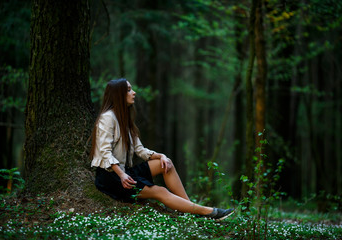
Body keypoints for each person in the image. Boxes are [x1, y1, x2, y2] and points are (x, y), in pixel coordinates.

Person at [90, 79, 234, 221]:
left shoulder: (124, 119)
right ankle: (206, 212)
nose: (133, 93)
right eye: (128, 90)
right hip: (112, 178)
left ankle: (190, 208)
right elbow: (105, 152)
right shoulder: (107, 118)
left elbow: (140, 150)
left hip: (125, 172)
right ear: (118, 95)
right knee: (160, 191)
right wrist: (121, 175)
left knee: (166, 164)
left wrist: (161, 156)